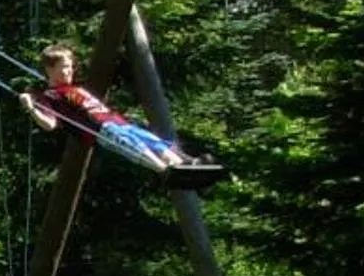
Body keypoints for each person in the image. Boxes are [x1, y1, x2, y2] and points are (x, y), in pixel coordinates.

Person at [24, 45, 225, 184]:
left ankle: (183, 164)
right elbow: (50, 124)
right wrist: (31, 108)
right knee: (133, 144)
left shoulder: (74, 88)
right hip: (101, 129)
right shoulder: (49, 96)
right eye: (63, 68)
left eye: (70, 67)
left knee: (152, 140)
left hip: (117, 121)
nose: (69, 72)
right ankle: (164, 170)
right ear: (49, 69)